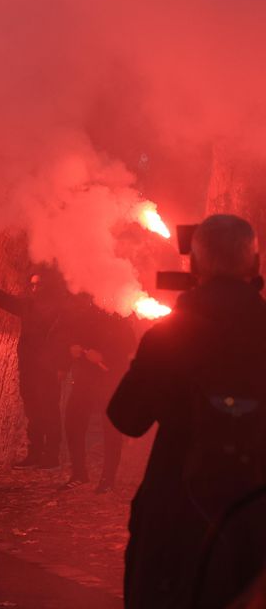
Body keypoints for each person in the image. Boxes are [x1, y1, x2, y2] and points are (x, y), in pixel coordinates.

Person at [108, 214, 266, 609]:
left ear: (194, 267)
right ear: (255, 266)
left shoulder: (169, 335)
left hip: (177, 516)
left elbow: (126, 418)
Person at [0, 270, 68, 467]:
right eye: (32, 285)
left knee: (49, 411)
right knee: (33, 411)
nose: (34, 289)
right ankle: (35, 453)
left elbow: (64, 339)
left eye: (38, 285)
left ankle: (51, 456)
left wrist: (61, 365)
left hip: (49, 368)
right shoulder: (28, 305)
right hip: (29, 365)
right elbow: (3, 299)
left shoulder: (59, 309)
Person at [60, 304, 133, 492]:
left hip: (110, 380)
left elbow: (129, 345)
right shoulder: (87, 311)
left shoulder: (121, 315)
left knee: (111, 427)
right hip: (85, 379)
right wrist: (73, 347)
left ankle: (107, 478)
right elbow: (73, 333)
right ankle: (79, 473)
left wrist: (104, 356)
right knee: (73, 421)